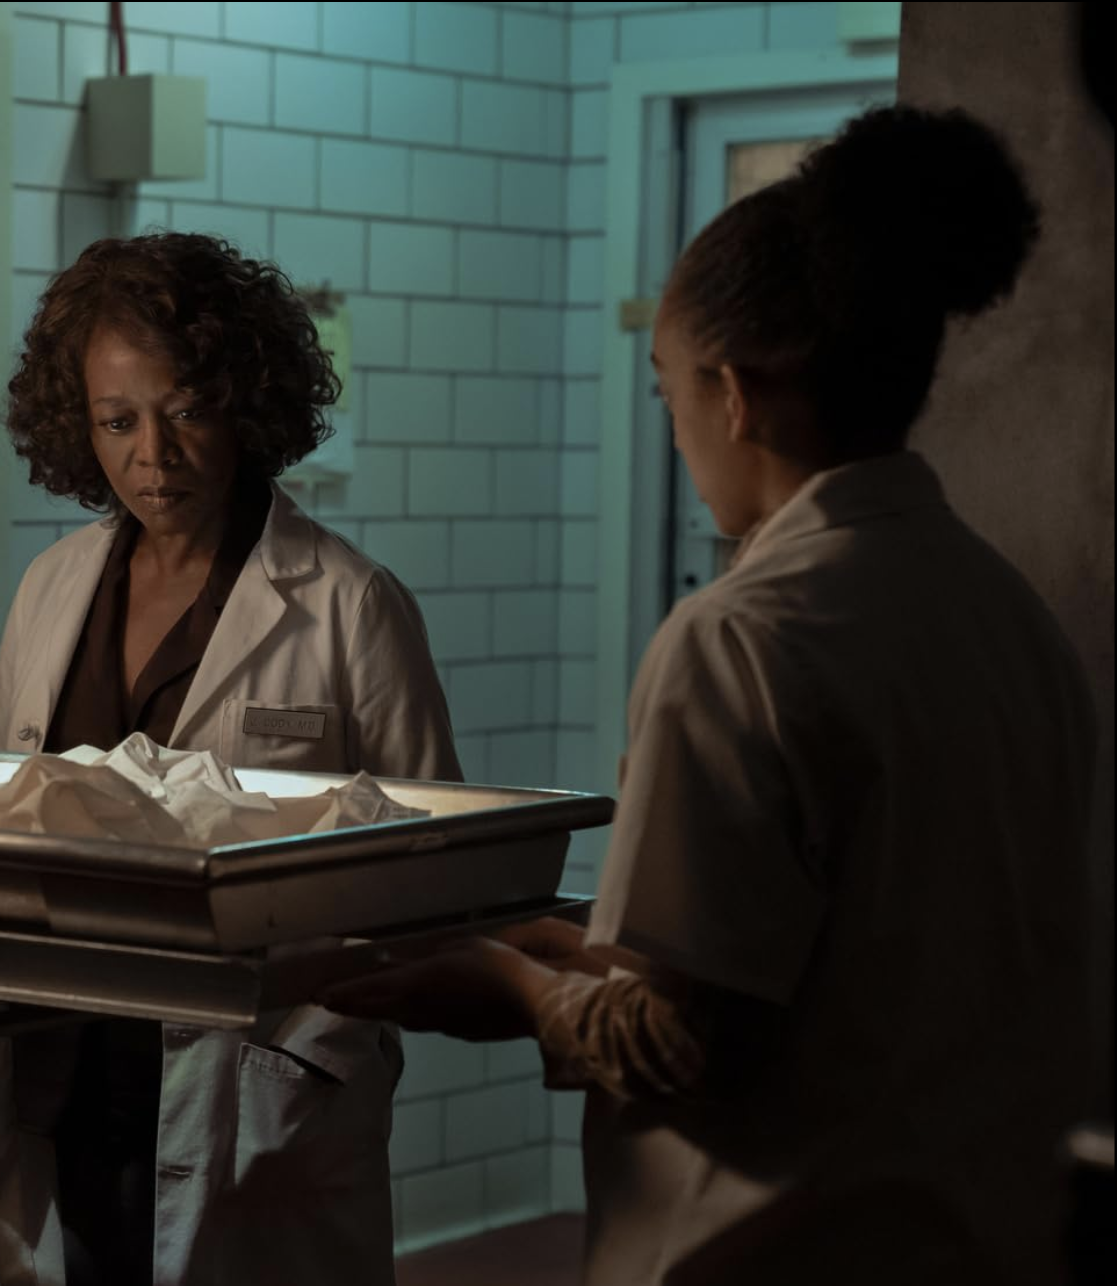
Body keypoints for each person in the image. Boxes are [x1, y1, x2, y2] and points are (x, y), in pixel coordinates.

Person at [323, 105, 1096, 1285]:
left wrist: (508, 981)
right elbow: (859, 963)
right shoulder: (1007, 616)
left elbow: (672, 1042)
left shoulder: (739, 637)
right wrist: (591, 950)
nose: (678, 430)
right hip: (980, 1240)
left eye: (664, 390)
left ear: (731, 393)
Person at [0, 232, 462, 1286]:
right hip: (69, 1060)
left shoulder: (350, 604)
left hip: (259, 1080)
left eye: (187, 410)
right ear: (77, 424)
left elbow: (432, 876)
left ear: (246, 404)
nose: (153, 455)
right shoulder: (51, 589)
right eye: (117, 421)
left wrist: (320, 1037)